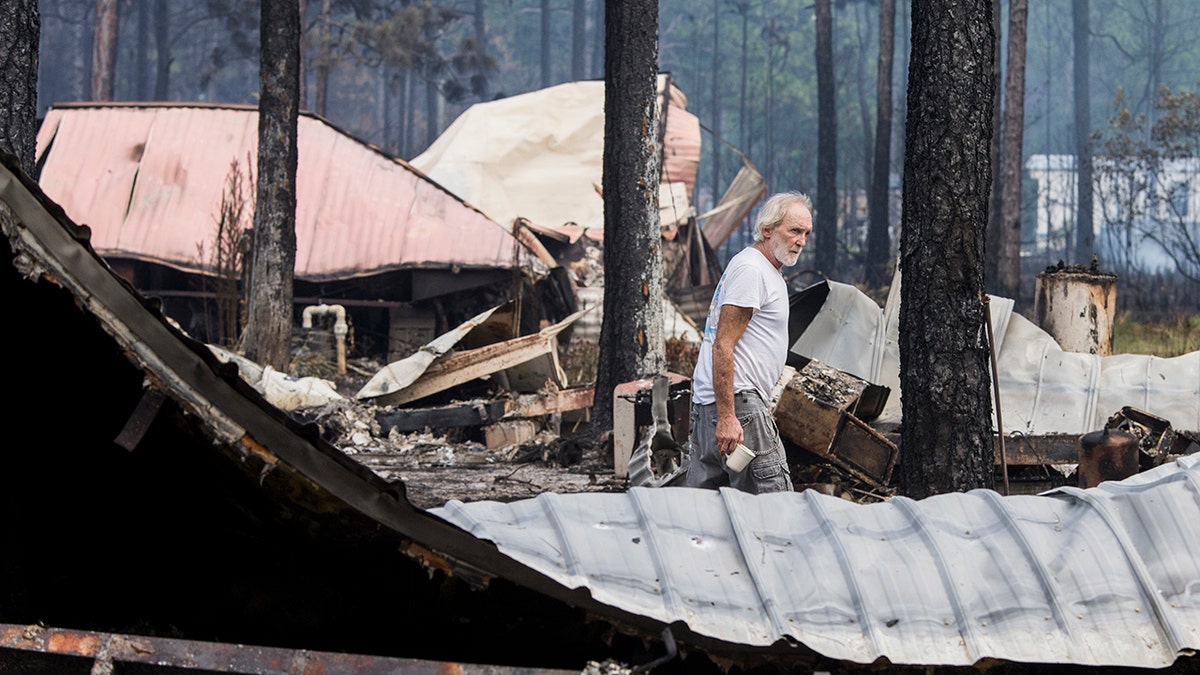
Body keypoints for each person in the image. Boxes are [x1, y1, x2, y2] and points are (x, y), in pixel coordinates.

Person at [684, 191, 813, 493]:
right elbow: (723, 345)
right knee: (773, 504)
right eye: (794, 231)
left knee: (705, 509)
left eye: (806, 233)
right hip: (737, 403)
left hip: (726, 402)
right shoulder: (753, 270)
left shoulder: (762, 269)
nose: (801, 241)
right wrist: (730, 415)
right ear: (767, 229)